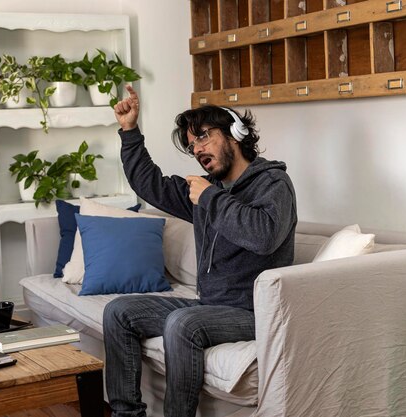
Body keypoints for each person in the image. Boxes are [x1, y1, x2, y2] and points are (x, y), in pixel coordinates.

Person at [103, 85, 297, 417]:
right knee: (119, 312)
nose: (197, 149)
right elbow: (150, 185)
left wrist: (209, 197)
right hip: (211, 307)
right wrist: (130, 130)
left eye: (204, 137)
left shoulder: (274, 185)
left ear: (235, 133)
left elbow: (263, 236)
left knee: (182, 322)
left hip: (253, 313)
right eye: (192, 145)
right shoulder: (209, 190)